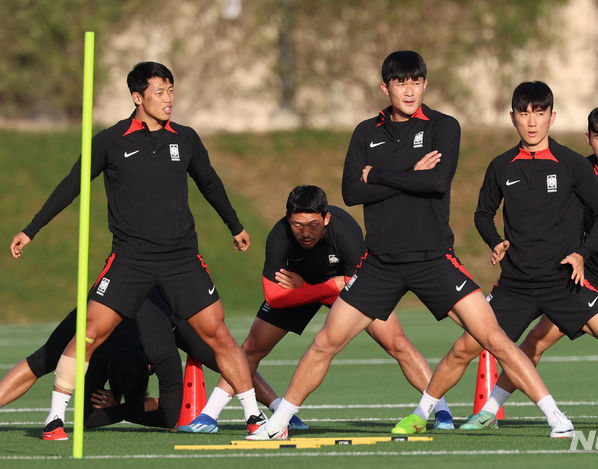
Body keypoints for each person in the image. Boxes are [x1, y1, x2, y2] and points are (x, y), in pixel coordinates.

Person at [247, 51, 573, 441]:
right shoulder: (366, 132)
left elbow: (436, 183)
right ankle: (279, 422)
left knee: (494, 338)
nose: (409, 90)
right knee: (325, 343)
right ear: (386, 87)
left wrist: (380, 175)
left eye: (416, 82)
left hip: (434, 258)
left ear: (425, 84)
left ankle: (555, 416)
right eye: (401, 83)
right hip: (379, 263)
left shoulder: (444, 126)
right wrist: (409, 173)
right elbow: (352, 191)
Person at [421, 82, 598, 434]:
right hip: (523, 284)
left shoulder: (574, 165)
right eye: (524, 114)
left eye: (540, 113)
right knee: (493, 346)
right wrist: (496, 241)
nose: (532, 122)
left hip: (578, 282)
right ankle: (459, 411)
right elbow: (482, 214)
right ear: (513, 118)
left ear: (552, 117)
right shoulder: (502, 166)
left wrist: (581, 254)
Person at [9, 62, 263, 440]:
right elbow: (71, 184)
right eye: (159, 92)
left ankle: (255, 419)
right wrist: (32, 229)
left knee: (219, 335)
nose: (168, 99)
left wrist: (235, 225)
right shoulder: (111, 141)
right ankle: (55, 419)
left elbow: (210, 183)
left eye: (171, 91)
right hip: (130, 259)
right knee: (90, 332)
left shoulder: (186, 138)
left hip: (181, 259)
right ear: (137, 97)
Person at [179, 185, 455, 433]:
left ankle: (441, 411)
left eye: (313, 224)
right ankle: (208, 416)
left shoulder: (345, 229)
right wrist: (321, 287)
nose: (306, 232)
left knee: (397, 343)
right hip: (300, 293)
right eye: (298, 224)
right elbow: (274, 297)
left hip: (350, 292)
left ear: (327, 218)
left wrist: (327, 286)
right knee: (251, 348)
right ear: (288, 220)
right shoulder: (279, 235)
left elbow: (360, 282)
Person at [0, 289, 223, 438]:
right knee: (43, 360)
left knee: (226, 360)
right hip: (105, 300)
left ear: (149, 367)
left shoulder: (161, 348)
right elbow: (89, 418)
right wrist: (138, 405)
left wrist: (124, 407)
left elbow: (170, 416)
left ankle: (254, 411)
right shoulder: (98, 350)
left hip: (161, 302)